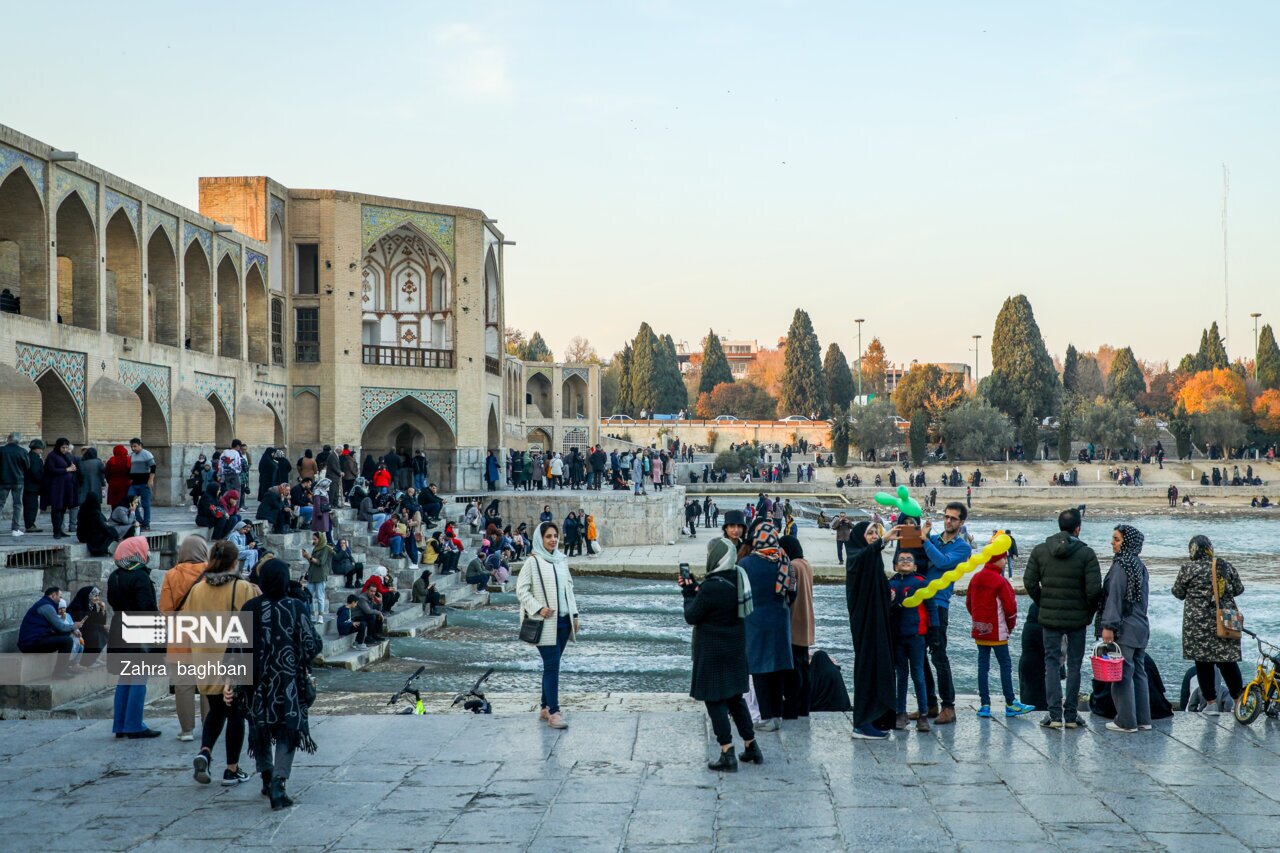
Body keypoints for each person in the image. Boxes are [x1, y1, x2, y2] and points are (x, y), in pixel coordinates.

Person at [236, 558, 321, 809]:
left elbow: (235, 648)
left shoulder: (249, 607)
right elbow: (311, 645)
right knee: (288, 729)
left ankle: (265, 775)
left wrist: (233, 682)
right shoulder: (296, 607)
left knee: (259, 728)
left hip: (255, 682)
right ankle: (279, 781)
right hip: (288, 681)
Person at [680, 536, 762, 772]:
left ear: (716, 558)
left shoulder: (711, 587)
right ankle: (751, 746)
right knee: (735, 698)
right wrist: (697, 587)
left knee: (715, 699)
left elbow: (692, 615)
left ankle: (727, 752)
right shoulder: (739, 577)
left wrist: (688, 593)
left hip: (713, 652)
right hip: (735, 649)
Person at [185, 540, 259, 786]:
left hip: (203, 656)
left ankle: (204, 752)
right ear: (235, 562)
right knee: (235, 713)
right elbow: (247, 624)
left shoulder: (197, 589)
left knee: (215, 710)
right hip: (231, 657)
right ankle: (231, 769)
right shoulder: (241, 588)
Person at [1022, 507, 1102, 728]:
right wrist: (1087, 611)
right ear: (1078, 528)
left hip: (1049, 618)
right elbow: (1095, 590)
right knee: (1075, 665)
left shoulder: (1040, 550)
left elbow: (1029, 582)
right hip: (1077, 620)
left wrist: (1043, 602)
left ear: (1059, 526)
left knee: (1051, 664)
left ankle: (1054, 715)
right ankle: (1071, 715)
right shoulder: (1087, 554)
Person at [515, 522, 579, 730]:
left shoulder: (561, 560)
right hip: (544, 623)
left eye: (555, 536)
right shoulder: (532, 562)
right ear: (540, 539)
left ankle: (544, 707)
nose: (553, 540)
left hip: (563, 622)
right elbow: (521, 591)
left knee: (551, 665)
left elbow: (569, 588)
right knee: (552, 666)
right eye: (548, 536)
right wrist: (539, 608)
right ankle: (554, 711)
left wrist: (575, 615)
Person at [1172, 535, 1245, 711]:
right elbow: (1239, 589)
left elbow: (1178, 592)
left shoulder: (1188, 569)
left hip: (1198, 625)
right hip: (1224, 622)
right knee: (1228, 662)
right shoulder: (1225, 566)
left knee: (1203, 663)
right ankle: (1240, 702)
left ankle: (1211, 704)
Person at [917, 502, 971, 725]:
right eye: (946, 517)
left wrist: (925, 541)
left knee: (939, 656)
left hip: (939, 604)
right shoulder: (934, 539)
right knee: (919, 655)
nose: (948, 521)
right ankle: (929, 704)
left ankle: (948, 706)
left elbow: (943, 562)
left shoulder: (963, 548)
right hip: (919, 600)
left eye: (953, 518)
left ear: (962, 522)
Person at [740, 521, 795, 732]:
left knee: (759, 669)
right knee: (778, 668)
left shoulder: (746, 564)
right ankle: (778, 714)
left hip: (755, 621)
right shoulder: (784, 561)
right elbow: (793, 593)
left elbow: (740, 594)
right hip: (780, 620)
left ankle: (765, 717)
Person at [966, 553, 1036, 718]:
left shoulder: (976, 577)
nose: (1005, 561)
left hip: (979, 630)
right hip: (997, 632)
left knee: (983, 667)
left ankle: (985, 705)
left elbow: (969, 603)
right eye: (1003, 558)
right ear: (995, 560)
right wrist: (1010, 627)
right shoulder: (1000, 581)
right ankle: (1010, 703)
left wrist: (978, 620)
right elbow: (1010, 607)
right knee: (1005, 665)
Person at [1099, 524, 1151, 733]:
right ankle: (1143, 719)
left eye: (1117, 539)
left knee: (1121, 675)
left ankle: (1126, 721)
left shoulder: (1121, 565)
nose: (1112, 542)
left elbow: (1115, 598)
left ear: (1126, 542)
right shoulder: (1139, 565)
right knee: (1139, 672)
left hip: (1125, 627)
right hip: (1141, 626)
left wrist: (1108, 626)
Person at [107, 536, 162, 738]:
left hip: (119, 629)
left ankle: (120, 724)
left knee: (125, 678)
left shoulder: (115, 576)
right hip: (139, 631)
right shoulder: (139, 577)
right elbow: (147, 608)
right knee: (139, 678)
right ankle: (133, 724)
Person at [160, 535, 210, 741]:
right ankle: (210, 726)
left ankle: (187, 730)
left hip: (181, 635)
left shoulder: (172, 575)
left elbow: (165, 610)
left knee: (183, 685)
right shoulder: (213, 573)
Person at [888, 551, 932, 732]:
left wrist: (933, 632)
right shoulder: (890, 584)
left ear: (915, 566)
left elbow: (931, 609)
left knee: (918, 675)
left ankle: (923, 714)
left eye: (909, 559)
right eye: (901, 559)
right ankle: (901, 713)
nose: (905, 561)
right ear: (895, 565)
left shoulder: (922, 583)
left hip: (916, 636)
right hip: (897, 636)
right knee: (901, 675)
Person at [780, 535, 814, 719]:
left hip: (794, 621)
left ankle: (792, 708)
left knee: (794, 670)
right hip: (806, 621)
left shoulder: (792, 566)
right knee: (804, 667)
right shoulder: (806, 564)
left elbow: (787, 592)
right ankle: (804, 708)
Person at [17, 585, 79, 677]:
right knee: (67, 641)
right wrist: (74, 626)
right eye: (59, 596)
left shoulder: (46, 604)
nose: (60, 599)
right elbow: (60, 627)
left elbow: (57, 628)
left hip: (37, 639)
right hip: (31, 643)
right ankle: (59, 672)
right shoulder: (46, 606)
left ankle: (64, 668)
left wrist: (71, 630)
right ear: (53, 595)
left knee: (66, 636)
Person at [43, 437, 78, 539]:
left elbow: (71, 467)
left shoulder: (66, 456)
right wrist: (67, 469)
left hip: (66, 487)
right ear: (58, 446)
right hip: (56, 487)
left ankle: (60, 530)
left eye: (66, 447)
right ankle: (56, 531)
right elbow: (50, 470)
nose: (65, 450)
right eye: (63, 447)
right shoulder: (52, 456)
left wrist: (73, 468)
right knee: (57, 508)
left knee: (63, 508)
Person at [67, 585, 108, 659]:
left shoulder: (91, 606)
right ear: (88, 596)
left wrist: (102, 609)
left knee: (103, 633)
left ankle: (90, 660)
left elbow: (98, 622)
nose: (97, 598)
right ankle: (86, 660)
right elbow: (83, 625)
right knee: (96, 635)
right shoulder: (77, 607)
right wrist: (102, 627)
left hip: (87, 631)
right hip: (77, 632)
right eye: (95, 596)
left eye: (98, 596)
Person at [302, 532, 333, 625]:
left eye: (315, 539)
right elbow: (312, 562)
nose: (314, 541)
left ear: (320, 539)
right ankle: (310, 614)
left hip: (320, 575)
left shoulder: (325, 548)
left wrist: (309, 557)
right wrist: (307, 557)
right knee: (309, 595)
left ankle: (320, 616)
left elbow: (320, 562)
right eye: (313, 539)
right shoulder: (316, 548)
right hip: (312, 575)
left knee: (320, 596)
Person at [127, 437, 156, 531]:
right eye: (132, 446)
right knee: (132, 499)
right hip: (134, 484)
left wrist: (151, 479)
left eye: (135, 446)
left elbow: (153, 467)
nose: (133, 448)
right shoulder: (132, 455)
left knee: (145, 504)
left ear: (140, 445)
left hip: (144, 484)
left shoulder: (146, 454)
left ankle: (146, 523)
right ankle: (139, 520)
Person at [0, 431, 26, 538]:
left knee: (0, 504)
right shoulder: (22, 451)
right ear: (19, 440)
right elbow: (27, 466)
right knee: (18, 505)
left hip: (2, 481)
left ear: (8, 439)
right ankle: (15, 529)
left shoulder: (1, 450)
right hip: (18, 481)